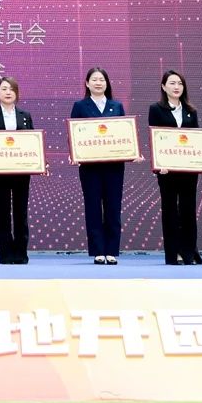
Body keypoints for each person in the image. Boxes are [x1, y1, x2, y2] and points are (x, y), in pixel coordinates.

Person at [70, 67, 128, 265]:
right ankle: (97, 251)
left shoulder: (117, 106)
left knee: (113, 207)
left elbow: (124, 134)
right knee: (93, 207)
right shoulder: (80, 106)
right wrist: (74, 153)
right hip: (90, 167)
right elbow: (74, 134)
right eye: (94, 79)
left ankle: (111, 250)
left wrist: (131, 151)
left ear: (107, 83)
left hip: (114, 167)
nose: (98, 83)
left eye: (102, 79)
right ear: (87, 83)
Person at [148, 70, 202, 266]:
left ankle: (189, 253)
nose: (176, 86)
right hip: (167, 170)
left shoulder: (191, 110)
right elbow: (155, 137)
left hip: (189, 170)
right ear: (164, 87)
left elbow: (197, 139)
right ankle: (174, 254)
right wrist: (159, 164)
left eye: (179, 83)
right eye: (172, 83)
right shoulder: (156, 109)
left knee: (188, 210)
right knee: (170, 210)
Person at [0, 76, 36, 264]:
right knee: (3, 213)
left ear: (17, 93)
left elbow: (32, 142)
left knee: (21, 213)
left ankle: (21, 253)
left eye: (11, 89)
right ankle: (5, 254)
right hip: (0, 172)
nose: (8, 92)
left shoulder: (25, 115)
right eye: (4, 89)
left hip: (21, 172)